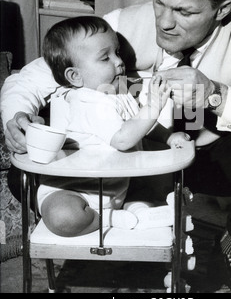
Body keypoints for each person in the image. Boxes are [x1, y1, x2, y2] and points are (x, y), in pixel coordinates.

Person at [1, 0, 231, 292]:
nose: (164, 22)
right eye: (159, 1)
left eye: (184, 11)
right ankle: (108, 227)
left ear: (223, 9)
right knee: (24, 173)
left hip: (211, 160)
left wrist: (216, 95)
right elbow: (37, 74)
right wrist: (16, 118)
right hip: (135, 157)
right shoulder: (129, 23)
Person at [31, 16, 189, 237]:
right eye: (105, 58)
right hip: (72, 190)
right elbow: (123, 139)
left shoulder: (118, 94)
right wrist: (153, 107)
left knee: (147, 200)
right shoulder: (87, 101)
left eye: (117, 52)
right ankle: (112, 219)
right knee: (63, 217)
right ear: (75, 76)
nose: (119, 61)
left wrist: (169, 138)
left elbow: (140, 126)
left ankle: (133, 214)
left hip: (114, 188)